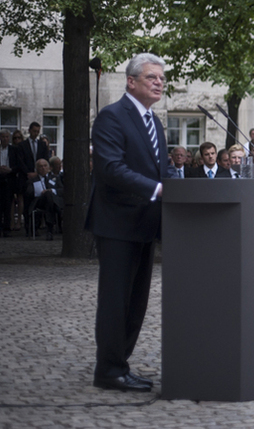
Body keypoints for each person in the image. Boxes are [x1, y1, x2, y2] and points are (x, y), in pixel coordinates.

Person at [86, 53, 170, 392]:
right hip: (117, 224)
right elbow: (110, 169)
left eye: (162, 78)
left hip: (145, 224)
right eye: (151, 77)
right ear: (131, 81)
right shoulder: (111, 117)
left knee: (136, 302)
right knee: (116, 300)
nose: (159, 82)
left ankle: (121, 363)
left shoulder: (155, 122)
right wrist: (157, 188)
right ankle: (108, 369)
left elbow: (159, 170)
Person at [26, 158, 64, 240]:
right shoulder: (32, 180)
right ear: (37, 169)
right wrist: (40, 191)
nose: (43, 168)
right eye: (40, 166)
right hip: (40, 202)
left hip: (51, 202)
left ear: (49, 167)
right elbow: (29, 193)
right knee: (48, 195)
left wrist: (52, 190)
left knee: (49, 195)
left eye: (45, 166)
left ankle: (50, 230)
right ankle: (50, 228)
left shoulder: (54, 178)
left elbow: (62, 190)